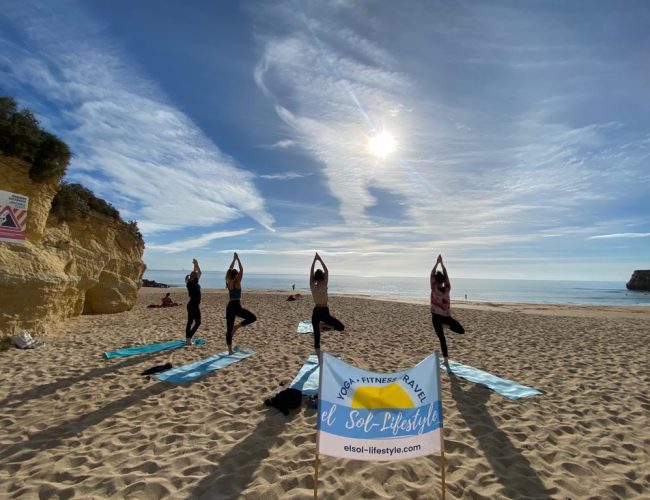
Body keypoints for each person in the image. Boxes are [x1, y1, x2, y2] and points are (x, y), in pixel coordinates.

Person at [430, 254, 464, 373]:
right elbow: (446, 276)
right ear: (443, 281)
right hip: (444, 317)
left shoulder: (434, 288)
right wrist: (442, 264)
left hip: (438, 317)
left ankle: (446, 360)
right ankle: (446, 361)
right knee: (461, 330)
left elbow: (432, 274)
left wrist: (437, 263)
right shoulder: (448, 288)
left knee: (442, 339)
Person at [310, 252, 344, 362]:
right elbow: (327, 271)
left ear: (315, 277)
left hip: (316, 311)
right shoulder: (324, 285)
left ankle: (320, 360)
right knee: (340, 327)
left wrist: (314, 261)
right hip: (324, 311)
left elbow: (311, 273)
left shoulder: (312, 285)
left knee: (317, 337)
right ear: (323, 277)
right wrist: (319, 259)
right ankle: (323, 325)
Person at [225, 252, 257, 355]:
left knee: (229, 329)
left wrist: (233, 260)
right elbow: (242, 270)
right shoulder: (237, 282)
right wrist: (238, 259)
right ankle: (237, 327)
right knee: (252, 318)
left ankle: (230, 351)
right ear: (237, 275)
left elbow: (229, 270)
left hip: (230, 306)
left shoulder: (228, 281)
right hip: (236, 306)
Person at [185, 259, 202, 345]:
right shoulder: (191, 283)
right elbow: (199, 273)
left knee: (194, 322)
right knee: (194, 322)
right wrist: (197, 264)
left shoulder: (191, 282)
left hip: (193, 304)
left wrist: (195, 265)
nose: (196, 275)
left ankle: (188, 338)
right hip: (193, 305)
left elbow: (196, 272)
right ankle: (188, 338)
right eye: (194, 275)